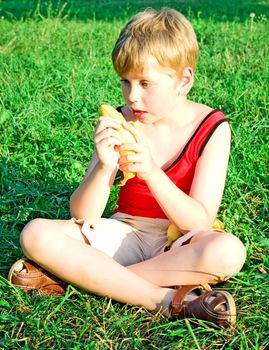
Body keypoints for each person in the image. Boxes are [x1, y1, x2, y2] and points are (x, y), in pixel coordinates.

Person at [8, 8, 246, 327]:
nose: (133, 96)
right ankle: (163, 300)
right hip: (126, 232)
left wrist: (151, 172)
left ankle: (85, 278)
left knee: (228, 251)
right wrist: (104, 167)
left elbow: (198, 221)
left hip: (179, 242)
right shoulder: (120, 121)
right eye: (125, 81)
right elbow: (84, 214)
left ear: (183, 80)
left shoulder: (212, 128)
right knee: (36, 234)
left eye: (146, 83)